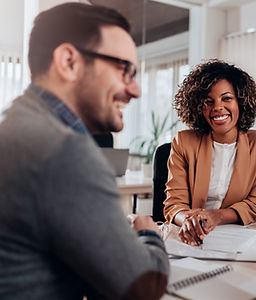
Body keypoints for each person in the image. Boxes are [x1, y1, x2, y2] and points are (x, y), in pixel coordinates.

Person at [0, 3, 169, 300]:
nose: (135, 90)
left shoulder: (14, 128)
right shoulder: (63, 151)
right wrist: (149, 233)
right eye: (124, 69)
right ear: (69, 61)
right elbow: (144, 287)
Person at [164, 60, 256, 246]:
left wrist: (215, 217)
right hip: (189, 237)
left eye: (226, 98)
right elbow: (174, 204)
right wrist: (190, 222)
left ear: (241, 101)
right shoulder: (183, 142)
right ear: (198, 107)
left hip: (237, 239)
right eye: (208, 101)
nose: (217, 107)